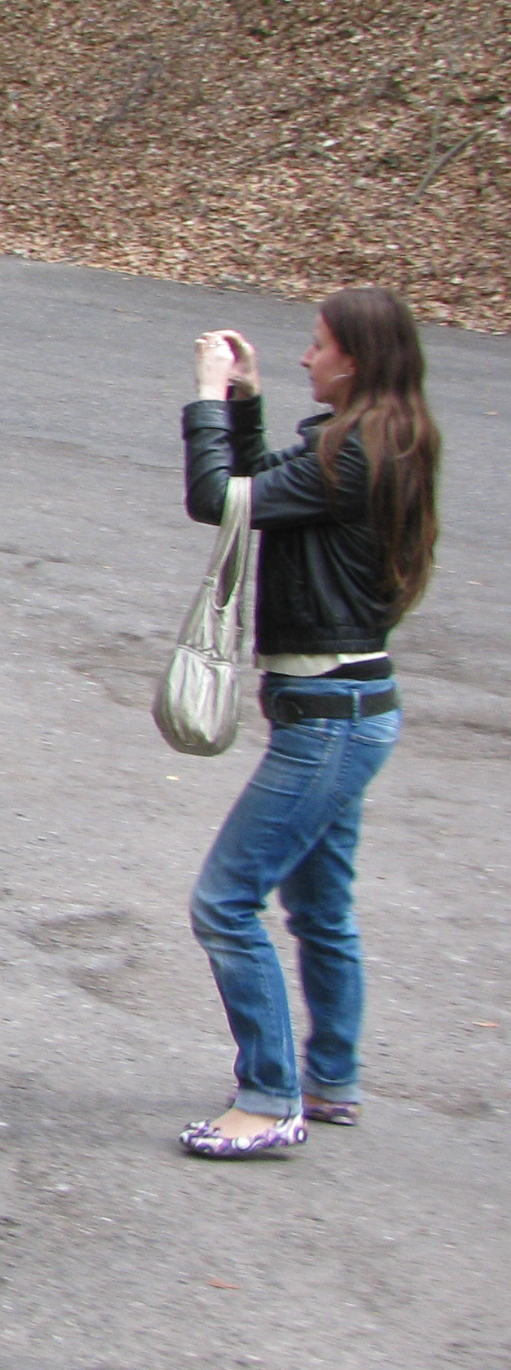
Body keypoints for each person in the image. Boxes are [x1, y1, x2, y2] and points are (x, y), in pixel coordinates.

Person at [176, 289, 440, 1159]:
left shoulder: (355, 452)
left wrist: (209, 399)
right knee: (321, 907)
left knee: (224, 902)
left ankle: (269, 1095)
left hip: (332, 718)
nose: (304, 358)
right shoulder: (369, 440)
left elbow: (220, 497)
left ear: (354, 360)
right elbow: (262, 496)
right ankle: (330, 1080)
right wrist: (248, 403)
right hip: (344, 709)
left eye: (317, 345)